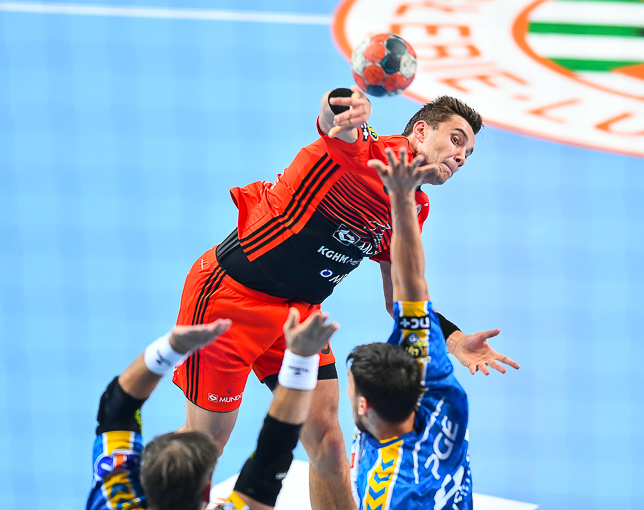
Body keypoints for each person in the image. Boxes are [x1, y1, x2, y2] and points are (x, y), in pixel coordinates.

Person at [171, 86, 518, 509]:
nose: (461, 156)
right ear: (421, 131)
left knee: (328, 443)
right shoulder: (361, 150)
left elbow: (399, 296)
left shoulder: (412, 206)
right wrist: (344, 102)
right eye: (457, 139)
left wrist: (455, 338)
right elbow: (333, 119)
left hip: (300, 317)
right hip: (230, 302)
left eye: (469, 153)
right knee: (205, 445)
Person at [346, 148, 520, 509]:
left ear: (364, 405)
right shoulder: (438, 394)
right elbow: (412, 284)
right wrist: (403, 200)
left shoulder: (388, 493)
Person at [87, 310, 338, 510]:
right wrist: (172, 348)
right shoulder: (114, 497)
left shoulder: (112, 500)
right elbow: (117, 409)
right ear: (207, 491)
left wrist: (300, 361)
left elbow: (274, 450)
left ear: (143, 479)